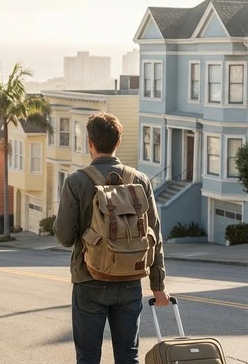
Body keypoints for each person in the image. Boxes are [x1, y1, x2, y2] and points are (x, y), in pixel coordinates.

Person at [54, 112, 169, 364]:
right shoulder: (140, 180)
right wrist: (158, 286)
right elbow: (155, 235)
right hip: (129, 280)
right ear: (118, 142)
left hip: (89, 279)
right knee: (129, 355)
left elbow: (63, 236)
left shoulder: (76, 182)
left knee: (88, 357)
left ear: (89, 143)